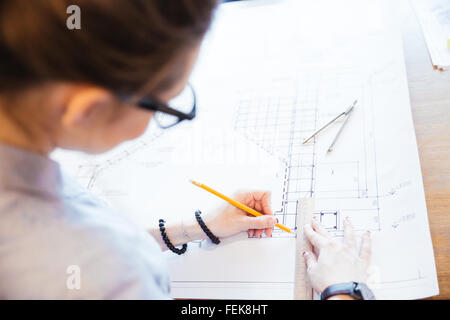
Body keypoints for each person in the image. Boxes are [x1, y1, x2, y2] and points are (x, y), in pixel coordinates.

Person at [0, 0, 372, 299]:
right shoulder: (108, 278)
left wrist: (189, 229)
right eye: (165, 105)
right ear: (87, 110)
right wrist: (343, 291)